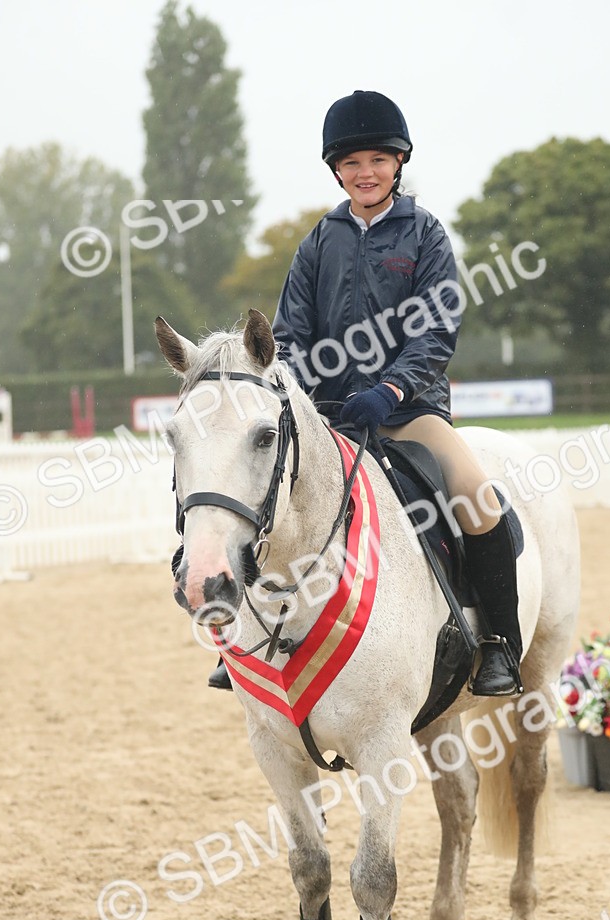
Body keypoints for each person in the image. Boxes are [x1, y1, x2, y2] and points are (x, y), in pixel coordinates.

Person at [210, 90, 522, 697]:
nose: (366, 173)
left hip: (408, 411)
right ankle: (246, 633)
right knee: (260, 495)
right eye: (352, 163)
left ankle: (498, 643)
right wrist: (302, 397)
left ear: (399, 162)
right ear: (336, 170)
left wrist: (391, 388)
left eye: (378, 160)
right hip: (327, 417)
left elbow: (436, 330)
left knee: (476, 497)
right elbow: (290, 335)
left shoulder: (426, 235)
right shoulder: (318, 241)